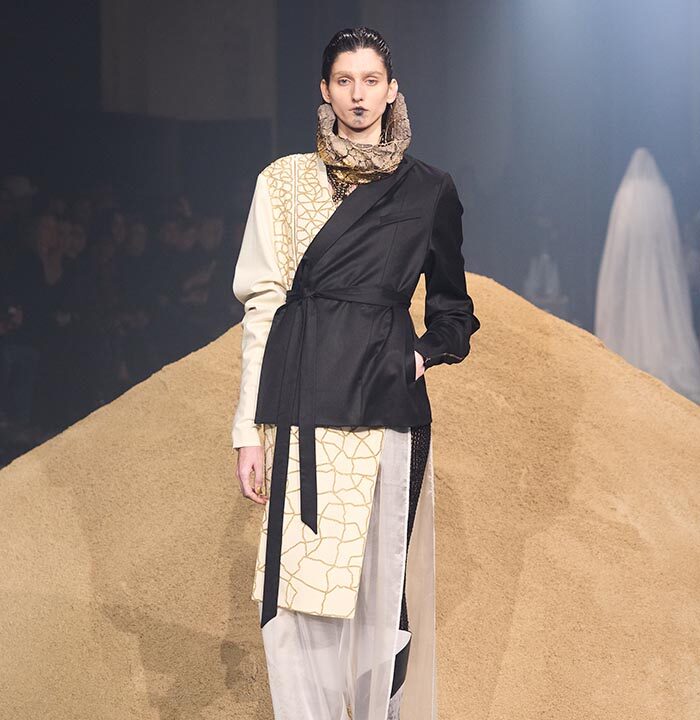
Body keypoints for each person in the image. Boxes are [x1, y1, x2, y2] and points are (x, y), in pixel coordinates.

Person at [231, 26, 480, 719]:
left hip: (385, 401)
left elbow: (455, 312)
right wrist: (247, 431)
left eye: (371, 81)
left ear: (392, 90)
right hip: (301, 396)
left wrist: (419, 354)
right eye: (344, 81)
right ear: (325, 90)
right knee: (295, 593)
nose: (358, 95)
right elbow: (262, 306)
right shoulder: (283, 181)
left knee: (377, 589)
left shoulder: (429, 189)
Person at [595, 147, 700, 404]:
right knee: (656, 311)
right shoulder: (660, 193)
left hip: (633, 274)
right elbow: (668, 243)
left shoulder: (626, 195)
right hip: (655, 270)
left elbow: (618, 247)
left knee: (633, 312)